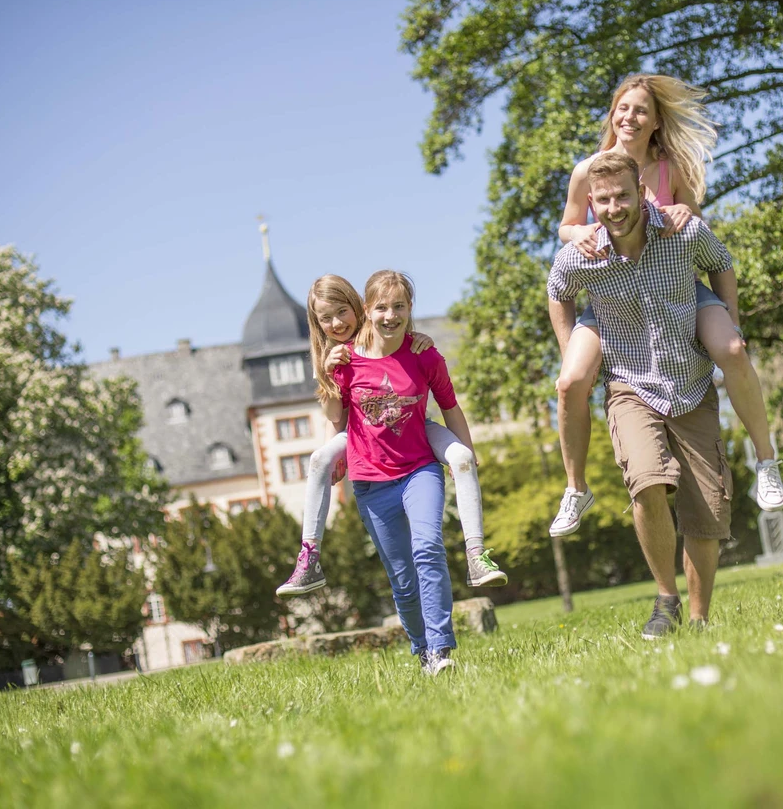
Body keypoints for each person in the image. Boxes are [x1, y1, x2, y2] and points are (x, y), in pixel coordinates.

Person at [549, 74, 783, 540]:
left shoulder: (666, 167)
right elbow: (566, 227)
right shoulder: (588, 170)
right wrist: (578, 234)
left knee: (734, 351)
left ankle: (767, 460)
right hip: (613, 296)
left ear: (656, 121)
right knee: (571, 379)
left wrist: (684, 213)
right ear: (612, 113)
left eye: (640, 110)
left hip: (679, 291)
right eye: (622, 108)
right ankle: (575, 489)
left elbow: (697, 226)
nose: (629, 117)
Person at [548, 152, 735, 638]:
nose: (614, 208)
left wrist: (729, 322)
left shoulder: (683, 233)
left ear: (641, 193)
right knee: (648, 482)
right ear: (591, 203)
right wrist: (571, 351)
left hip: (690, 380)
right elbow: (557, 289)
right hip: (630, 385)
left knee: (706, 512)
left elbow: (722, 262)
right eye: (604, 200)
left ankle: (697, 620)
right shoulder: (582, 255)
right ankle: (665, 598)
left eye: (623, 196)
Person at [275, 274, 506, 598]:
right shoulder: (332, 355)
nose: (336, 323)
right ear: (316, 322)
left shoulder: (385, 329)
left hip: (411, 422)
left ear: (359, 307)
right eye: (325, 318)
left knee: (463, 456)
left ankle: (477, 555)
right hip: (359, 431)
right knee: (319, 458)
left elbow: (404, 344)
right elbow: (335, 415)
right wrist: (334, 450)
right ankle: (309, 555)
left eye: (342, 312)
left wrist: (417, 336)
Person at [324, 270, 468, 674]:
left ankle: (441, 649)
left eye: (399, 306)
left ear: (409, 309)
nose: (391, 315)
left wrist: (466, 460)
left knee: (428, 548)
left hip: (420, 469)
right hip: (370, 483)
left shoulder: (425, 355)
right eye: (382, 307)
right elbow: (336, 420)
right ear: (367, 311)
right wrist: (328, 371)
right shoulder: (347, 360)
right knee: (403, 580)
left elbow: (450, 408)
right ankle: (422, 650)